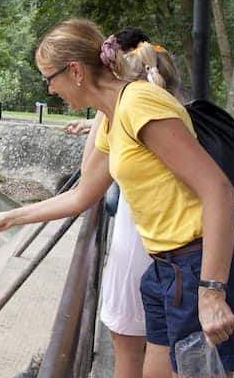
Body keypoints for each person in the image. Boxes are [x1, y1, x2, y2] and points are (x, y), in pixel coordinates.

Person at [0, 19, 234, 376]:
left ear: (76, 71)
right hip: (165, 268)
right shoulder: (112, 117)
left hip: (201, 264)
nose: (50, 89)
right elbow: (83, 195)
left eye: (49, 78)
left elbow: (217, 189)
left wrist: (212, 291)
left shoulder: (139, 104)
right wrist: (11, 217)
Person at [63, 27, 164, 378]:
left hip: (149, 244)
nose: (50, 88)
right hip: (172, 253)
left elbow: (85, 183)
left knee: (133, 344)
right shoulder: (156, 99)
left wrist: (100, 117)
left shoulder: (129, 107)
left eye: (52, 78)